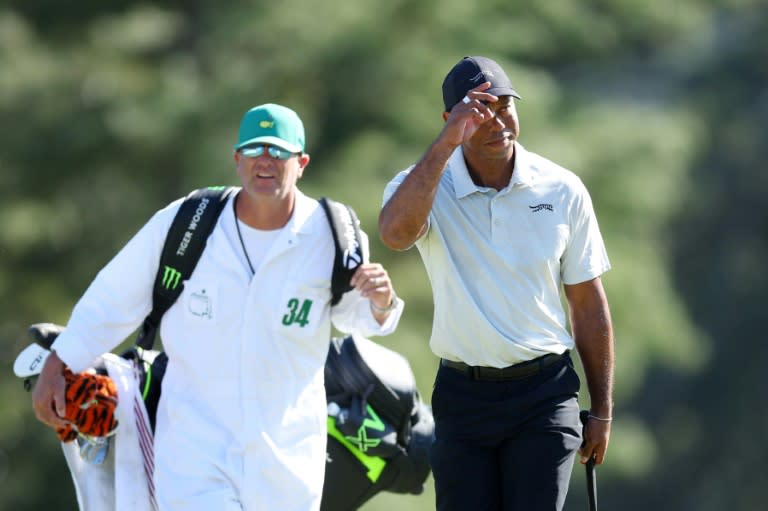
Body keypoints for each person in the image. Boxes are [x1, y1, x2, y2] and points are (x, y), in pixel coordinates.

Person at [32, 102, 405, 511]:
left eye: (279, 152)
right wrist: (60, 362)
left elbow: (358, 317)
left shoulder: (333, 234)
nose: (266, 161)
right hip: (195, 452)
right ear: (236, 159)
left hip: (287, 458)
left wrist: (382, 304)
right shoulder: (188, 223)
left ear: (302, 163)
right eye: (254, 150)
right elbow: (113, 297)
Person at [379, 56, 614, 510]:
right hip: (463, 399)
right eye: (479, 110)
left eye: (505, 106)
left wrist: (601, 410)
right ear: (450, 120)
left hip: (544, 395)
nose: (498, 120)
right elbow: (395, 234)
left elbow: (588, 305)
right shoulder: (425, 185)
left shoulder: (562, 190)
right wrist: (447, 144)